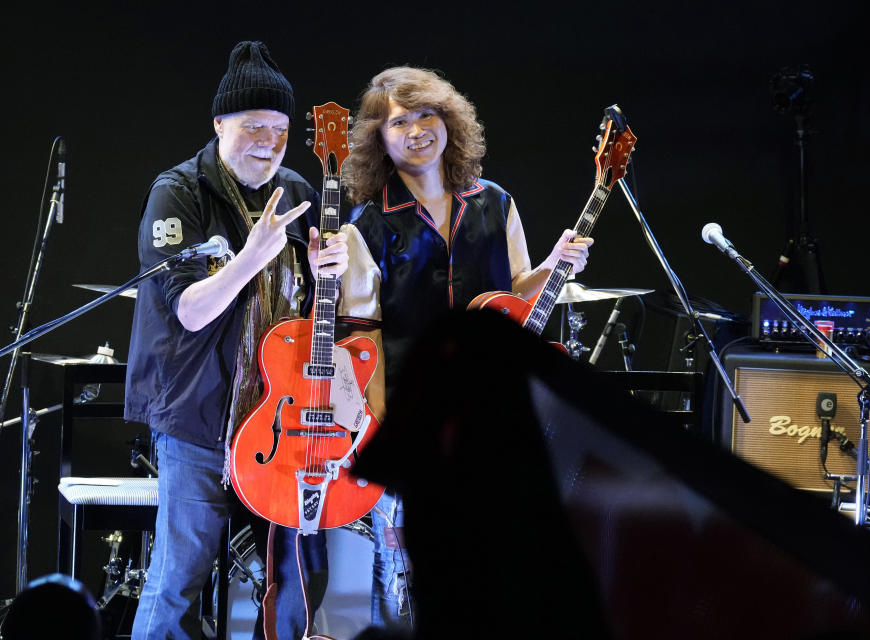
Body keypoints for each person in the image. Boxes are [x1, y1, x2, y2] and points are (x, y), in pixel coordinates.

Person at [337, 66, 594, 630]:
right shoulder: (366, 226)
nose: (416, 130)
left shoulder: (495, 203)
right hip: (411, 419)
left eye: (425, 114)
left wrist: (554, 266)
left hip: (490, 419)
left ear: (448, 119)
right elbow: (362, 341)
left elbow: (517, 290)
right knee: (406, 580)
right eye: (397, 122)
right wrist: (381, 423)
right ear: (379, 140)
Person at [124, 41, 347, 639]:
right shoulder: (179, 193)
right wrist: (250, 257)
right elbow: (191, 312)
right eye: (254, 127)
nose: (269, 143)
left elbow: (323, 309)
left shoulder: (302, 190)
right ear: (219, 123)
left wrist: (339, 272)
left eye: (279, 130)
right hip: (197, 416)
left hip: (277, 419)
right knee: (178, 581)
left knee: (291, 582)